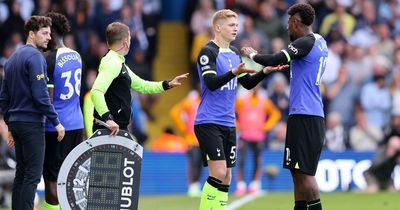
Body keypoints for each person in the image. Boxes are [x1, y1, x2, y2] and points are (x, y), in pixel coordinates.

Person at [194, 9, 287, 210]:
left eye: (237, 25)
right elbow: (211, 82)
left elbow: (247, 83)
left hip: (228, 122)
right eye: (231, 25)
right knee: (218, 173)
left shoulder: (235, 53)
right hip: (208, 121)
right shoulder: (207, 52)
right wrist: (233, 72)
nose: (236, 28)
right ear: (218, 27)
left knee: (227, 176)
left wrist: (264, 72)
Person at [241, 3, 328, 210]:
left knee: (305, 175)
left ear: (296, 23)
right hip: (303, 114)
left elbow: (276, 57)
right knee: (296, 172)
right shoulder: (319, 42)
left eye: (289, 23)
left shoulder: (306, 42)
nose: (287, 28)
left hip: (306, 115)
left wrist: (252, 55)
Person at [0, 15, 65, 210]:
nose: (48, 37)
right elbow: (40, 95)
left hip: (17, 124)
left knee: (21, 174)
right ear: (31, 34)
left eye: (50, 33)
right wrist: (56, 121)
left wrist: (10, 125)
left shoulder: (11, 60)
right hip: (31, 124)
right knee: (32, 176)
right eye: (44, 33)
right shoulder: (36, 57)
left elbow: (4, 98)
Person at [91, 21, 188, 134]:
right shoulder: (112, 63)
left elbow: (142, 85)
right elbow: (96, 91)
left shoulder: (118, 63)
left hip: (116, 129)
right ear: (126, 42)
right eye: (130, 39)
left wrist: (168, 84)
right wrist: (107, 119)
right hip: (110, 129)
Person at [42, 12, 84, 210]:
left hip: (56, 127)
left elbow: (48, 99)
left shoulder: (49, 59)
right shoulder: (76, 55)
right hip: (77, 123)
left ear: (51, 32)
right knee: (70, 176)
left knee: (51, 176)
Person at [235, 83, 281, 196]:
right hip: (244, 135)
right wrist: (238, 126)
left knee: (257, 160)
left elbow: (276, 114)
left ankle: (254, 185)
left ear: (260, 87)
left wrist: (266, 127)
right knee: (242, 160)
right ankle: (241, 186)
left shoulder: (264, 101)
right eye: (253, 86)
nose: (255, 87)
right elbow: (231, 112)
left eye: (257, 86)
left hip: (259, 136)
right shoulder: (242, 100)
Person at [170, 87, 202, 197]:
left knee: (200, 163)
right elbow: (175, 112)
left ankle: (196, 185)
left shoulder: (208, 101)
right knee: (194, 162)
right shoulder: (190, 102)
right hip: (192, 139)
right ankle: (192, 186)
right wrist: (183, 128)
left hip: (205, 139)